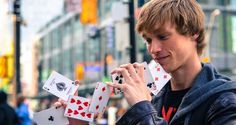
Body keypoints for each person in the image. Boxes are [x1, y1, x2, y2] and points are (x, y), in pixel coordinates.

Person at [56, 0, 236, 124]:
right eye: (148, 40)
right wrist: (79, 123)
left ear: (193, 33)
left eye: (163, 36)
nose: (153, 49)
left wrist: (143, 108)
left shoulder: (225, 101)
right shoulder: (154, 100)